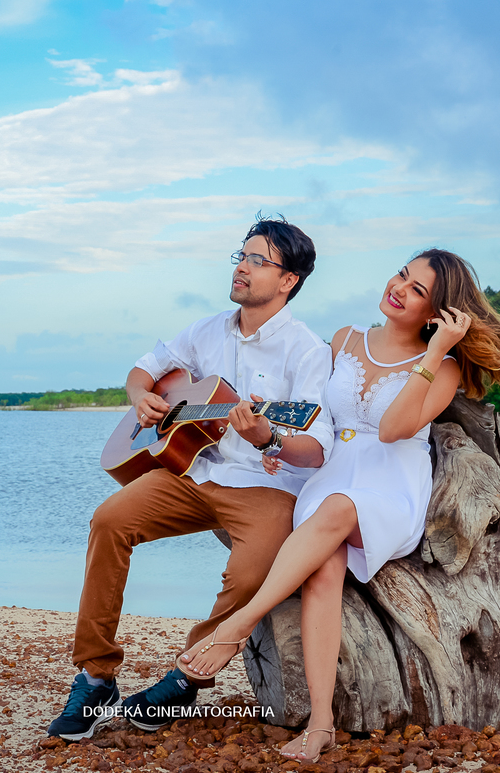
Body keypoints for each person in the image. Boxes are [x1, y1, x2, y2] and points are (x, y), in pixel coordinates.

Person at [174, 248, 500, 763]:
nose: (399, 288)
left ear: (437, 313)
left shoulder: (445, 368)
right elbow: (312, 417)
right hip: (330, 476)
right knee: (323, 573)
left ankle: (240, 623)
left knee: (340, 508)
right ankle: (321, 724)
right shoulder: (344, 340)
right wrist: (276, 445)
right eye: (402, 275)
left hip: (390, 486)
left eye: (417, 290)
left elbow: (392, 429)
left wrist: (434, 352)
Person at [47, 216, 336, 741]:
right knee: (109, 521)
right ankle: (95, 675)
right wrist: (142, 397)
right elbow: (144, 370)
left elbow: (316, 449)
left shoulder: (307, 350)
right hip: (194, 471)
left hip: (265, 486)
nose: (242, 268)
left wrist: (267, 437)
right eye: (241, 256)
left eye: (258, 261)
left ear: (288, 280)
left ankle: (185, 677)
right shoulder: (206, 330)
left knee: (250, 575)